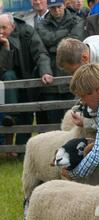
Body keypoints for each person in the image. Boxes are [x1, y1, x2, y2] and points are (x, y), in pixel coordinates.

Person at [0, 13, 53, 150]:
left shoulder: (27, 31)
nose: (0, 31)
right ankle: (10, 114)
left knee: (26, 114)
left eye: (3, 28)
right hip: (6, 86)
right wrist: (5, 48)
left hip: (27, 77)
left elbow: (40, 53)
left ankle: (21, 150)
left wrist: (45, 71)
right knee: (9, 75)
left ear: (12, 26)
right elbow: (4, 69)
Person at [36, 0, 85, 124]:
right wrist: (65, 33)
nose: (56, 10)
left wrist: (53, 46)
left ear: (64, 5)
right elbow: (43, 45)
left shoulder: (77, 20)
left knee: (72, 120)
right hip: (51, 77)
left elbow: (75, 43)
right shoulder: (41, 23)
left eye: (58, 7)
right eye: (53, 8)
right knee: (53, 122)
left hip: (72, 74)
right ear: (48, 7)